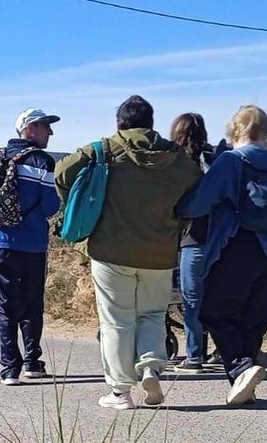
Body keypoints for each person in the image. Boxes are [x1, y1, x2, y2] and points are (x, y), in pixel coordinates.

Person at [54, 95, 200, 409]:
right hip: (159, 252)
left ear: (120, 123)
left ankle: (120, 393)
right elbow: (195, 185)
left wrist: (82, 201)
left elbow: (62, 173)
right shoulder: (175, 157)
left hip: (111, 250)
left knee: (117, 321)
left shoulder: (104, 150)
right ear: (150, 124)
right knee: (152, 315)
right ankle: (150, 367)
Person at [177, 105, 267, 404]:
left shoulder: (230, 161)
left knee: (213, 312)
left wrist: (174, 208)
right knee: (253, 318)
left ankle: (241, 368)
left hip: (238, 245)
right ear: (264, 131)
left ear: (235, 130)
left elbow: (199, 204)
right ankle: (244, 381)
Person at [0, 107, 61, 385]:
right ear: (28, 129)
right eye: (44, 126)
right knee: (31, 303)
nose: (50, 132)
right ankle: (31, 361)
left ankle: (9, 369)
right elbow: (51, 205)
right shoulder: (43, 161)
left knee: (6, 305)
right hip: (32, 243)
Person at [169, 113, 221, 373]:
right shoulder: (215, 159)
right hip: (220, 238)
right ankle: (222, 349)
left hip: (191, 238)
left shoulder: (177, 163)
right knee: (217, 298)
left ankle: (194, 356)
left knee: (192, 300)